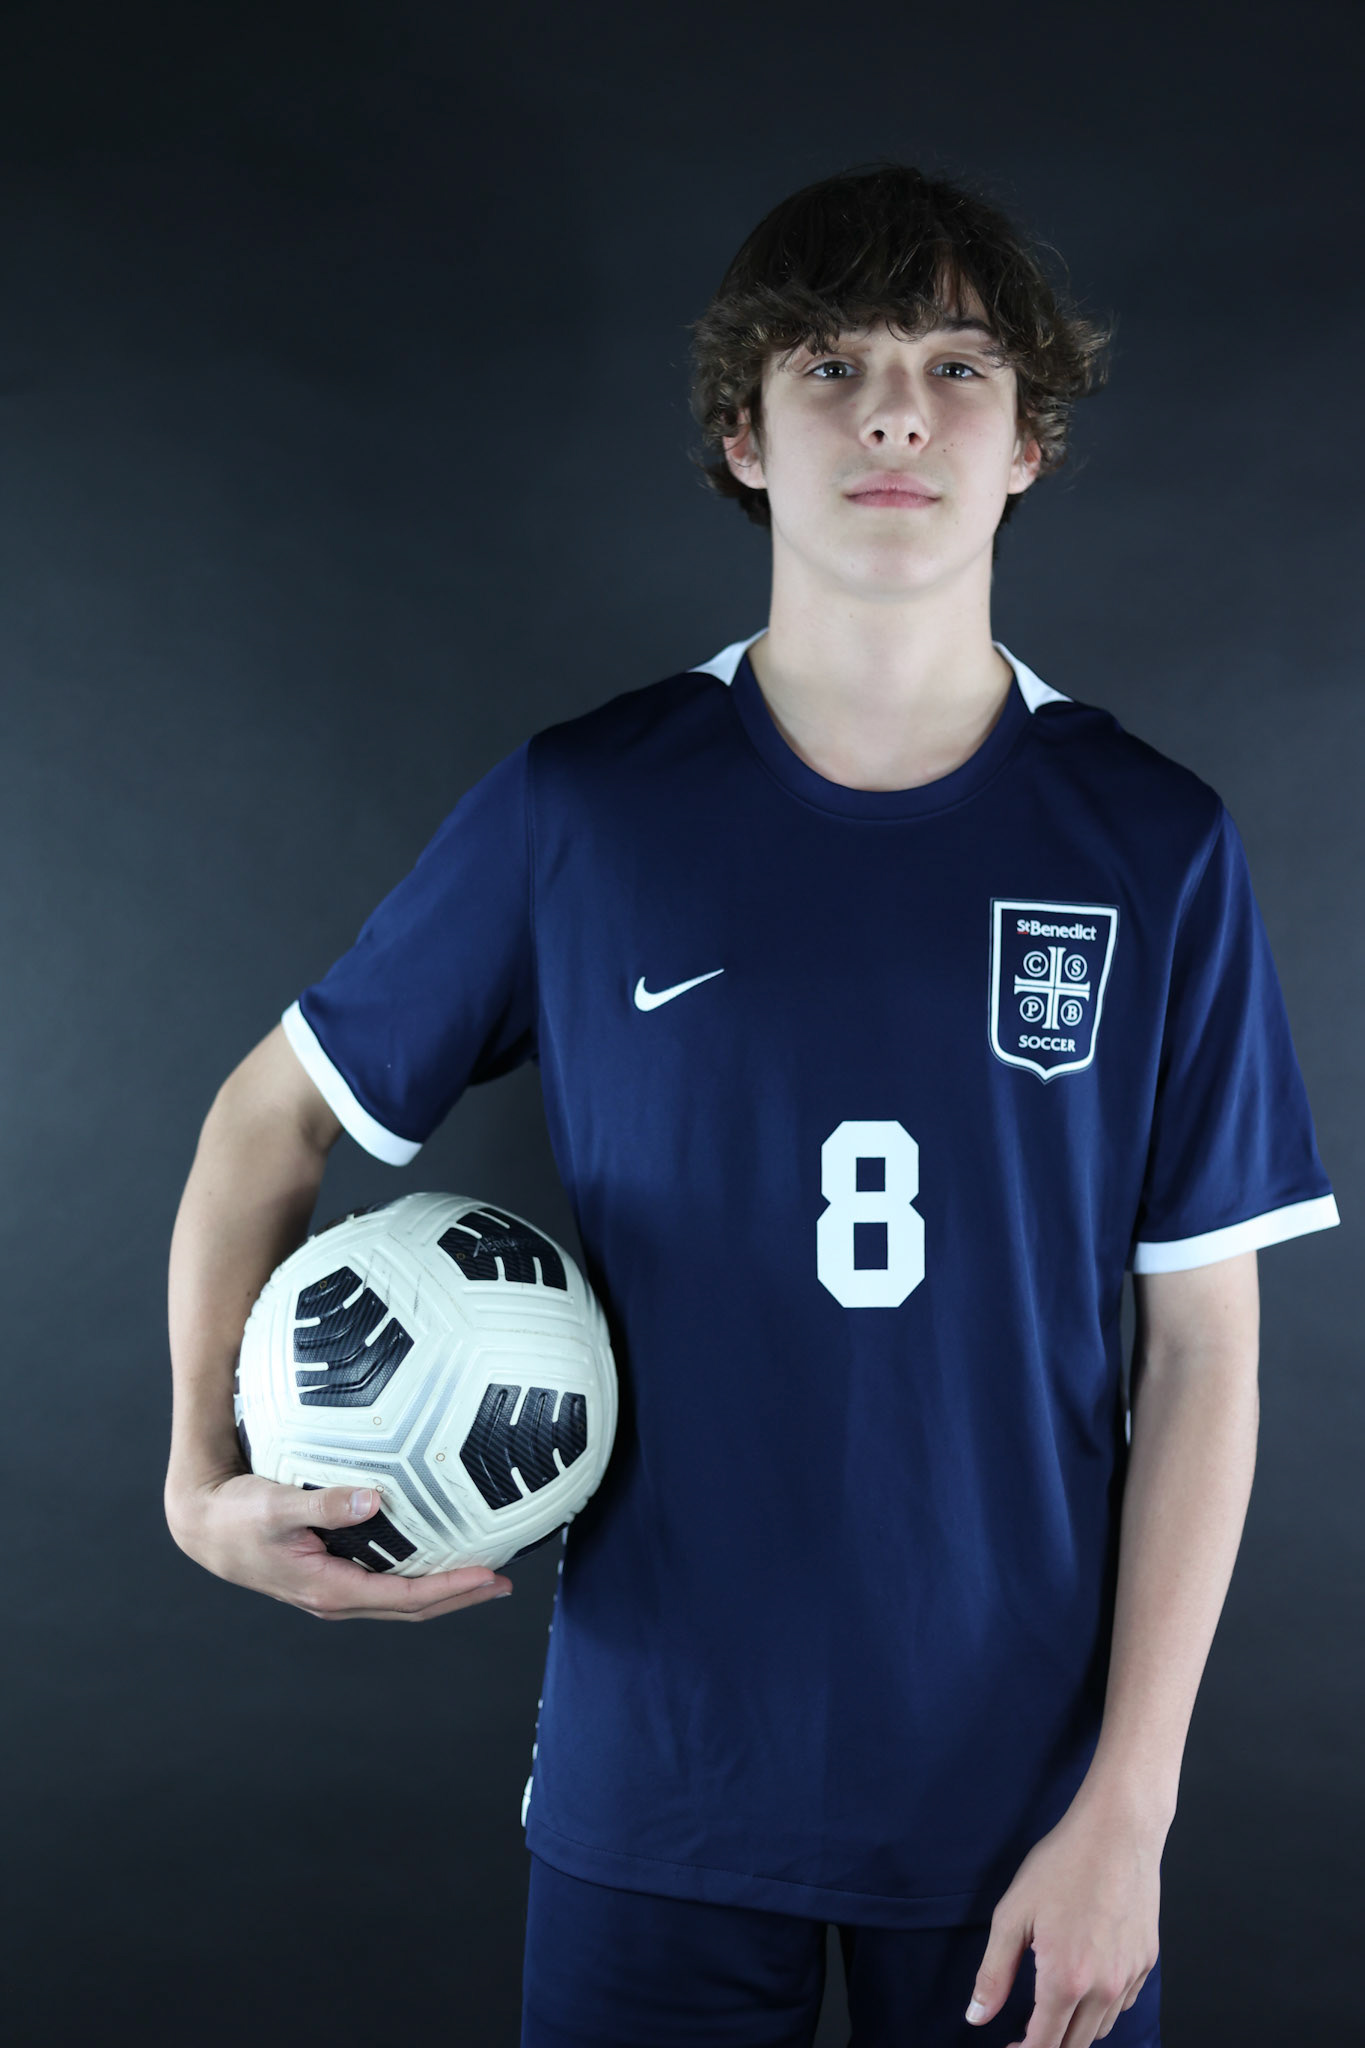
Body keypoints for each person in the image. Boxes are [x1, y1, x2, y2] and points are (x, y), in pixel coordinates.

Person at [165, 161, 1339, 2048]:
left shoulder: (1152, 842)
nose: (896, 413)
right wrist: (194, 1476)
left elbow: (1204, 1348)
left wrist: (1131, 1807)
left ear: (1028, 444)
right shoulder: (587, 807)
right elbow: (264, 1123)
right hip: (661, 1777)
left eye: (957, 367)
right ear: (742, 432)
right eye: (830, 365)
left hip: (1028, 1800)